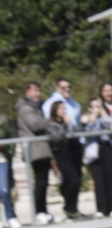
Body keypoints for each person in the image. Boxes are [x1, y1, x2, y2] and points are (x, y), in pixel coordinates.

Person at [15, 82, 59, 225]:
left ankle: (43, 211)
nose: (38, 94)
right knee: (40, 182)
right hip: (35, 149)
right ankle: (38, 212)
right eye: (35, 91)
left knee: (44, 182)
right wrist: (50, 122)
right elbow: (35, 125)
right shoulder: (26, 108)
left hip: (41, 148)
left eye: (39, 91)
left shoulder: (36, 107)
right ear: (27, 92)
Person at [41, 78, 84, 219]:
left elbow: (77, 128)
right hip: (61, 152)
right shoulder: (51, 119)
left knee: (77, 179)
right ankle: (68, 206)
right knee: (72, 180)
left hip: (74, 148)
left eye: (68, 87)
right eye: (63, 87)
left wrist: (81, 124)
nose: (67, 90)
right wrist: (65, 125)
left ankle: (72, 209)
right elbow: (56, 137)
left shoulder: (74, 104)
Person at [81, 83, 112, 218]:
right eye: (94, 106)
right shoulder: (87, 118)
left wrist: (102, 111)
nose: (96, 109)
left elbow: (109, 124)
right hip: (94, 150)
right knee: (99, 181)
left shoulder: (104, 115)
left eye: (98, 106)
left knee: (110, 178)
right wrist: (93, 116)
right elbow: (88, 132)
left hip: (106, 148)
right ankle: (101, 208)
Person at [0, 109, 16, 228]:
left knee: (4, 190)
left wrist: (9, 150)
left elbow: (12, 135)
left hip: (2, 159)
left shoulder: (3, 120)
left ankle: (10, 217)